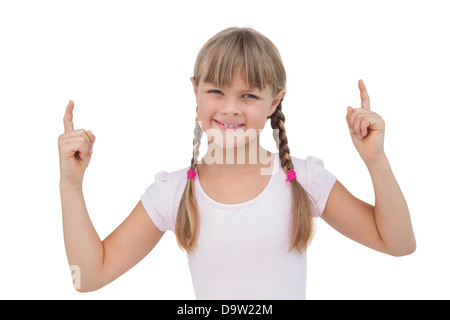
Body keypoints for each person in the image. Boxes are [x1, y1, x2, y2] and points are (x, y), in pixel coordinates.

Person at [58, 27, 416, 299]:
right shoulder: (173, 192)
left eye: (248, 95)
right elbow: (89, 277)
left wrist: (376, 160)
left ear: (274, 102)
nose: (229, 108)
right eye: (216, 91)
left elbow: (398, 243)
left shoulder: (302, 179)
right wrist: (70, 184)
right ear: (195, 91)